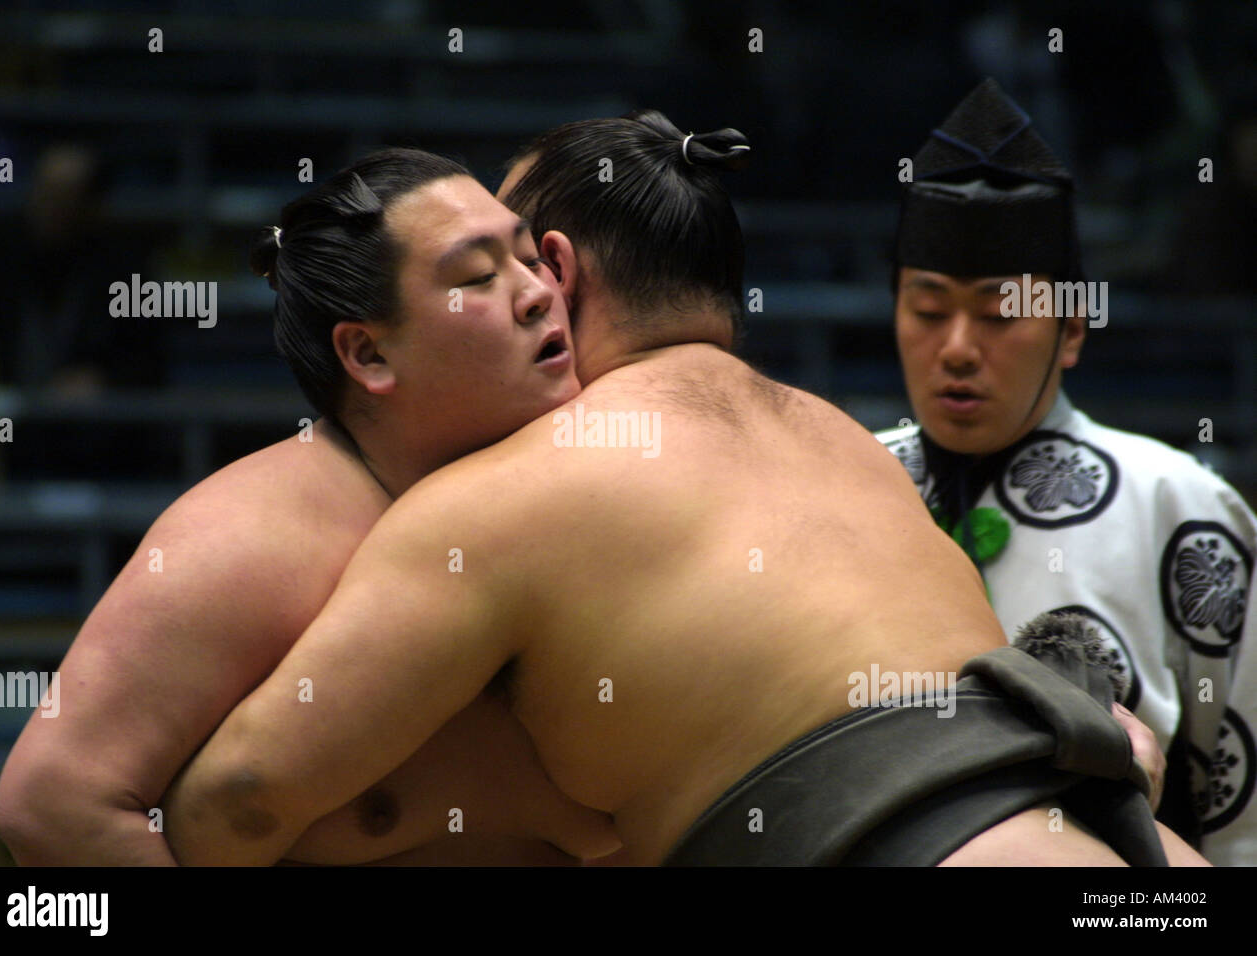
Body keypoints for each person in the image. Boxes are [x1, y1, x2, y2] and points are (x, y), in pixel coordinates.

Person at [160, 110, 1202, 867]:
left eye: (502, 256)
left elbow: (243, 796)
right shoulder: (849, 443)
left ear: (551, 273)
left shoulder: (498, 499)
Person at [0, 148, 621, 866]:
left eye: (530, 257)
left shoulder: (609, 473)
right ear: (369, 355)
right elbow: (50, 804)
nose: (539, 293)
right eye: (477, 277)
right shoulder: (245, 543)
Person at [873, 78, 1257, 864]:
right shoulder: (844, 482)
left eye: (999, 312)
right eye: (928, 306)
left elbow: (1243, 804)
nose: (955, 345)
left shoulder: (1178, 501)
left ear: (1072, 328)